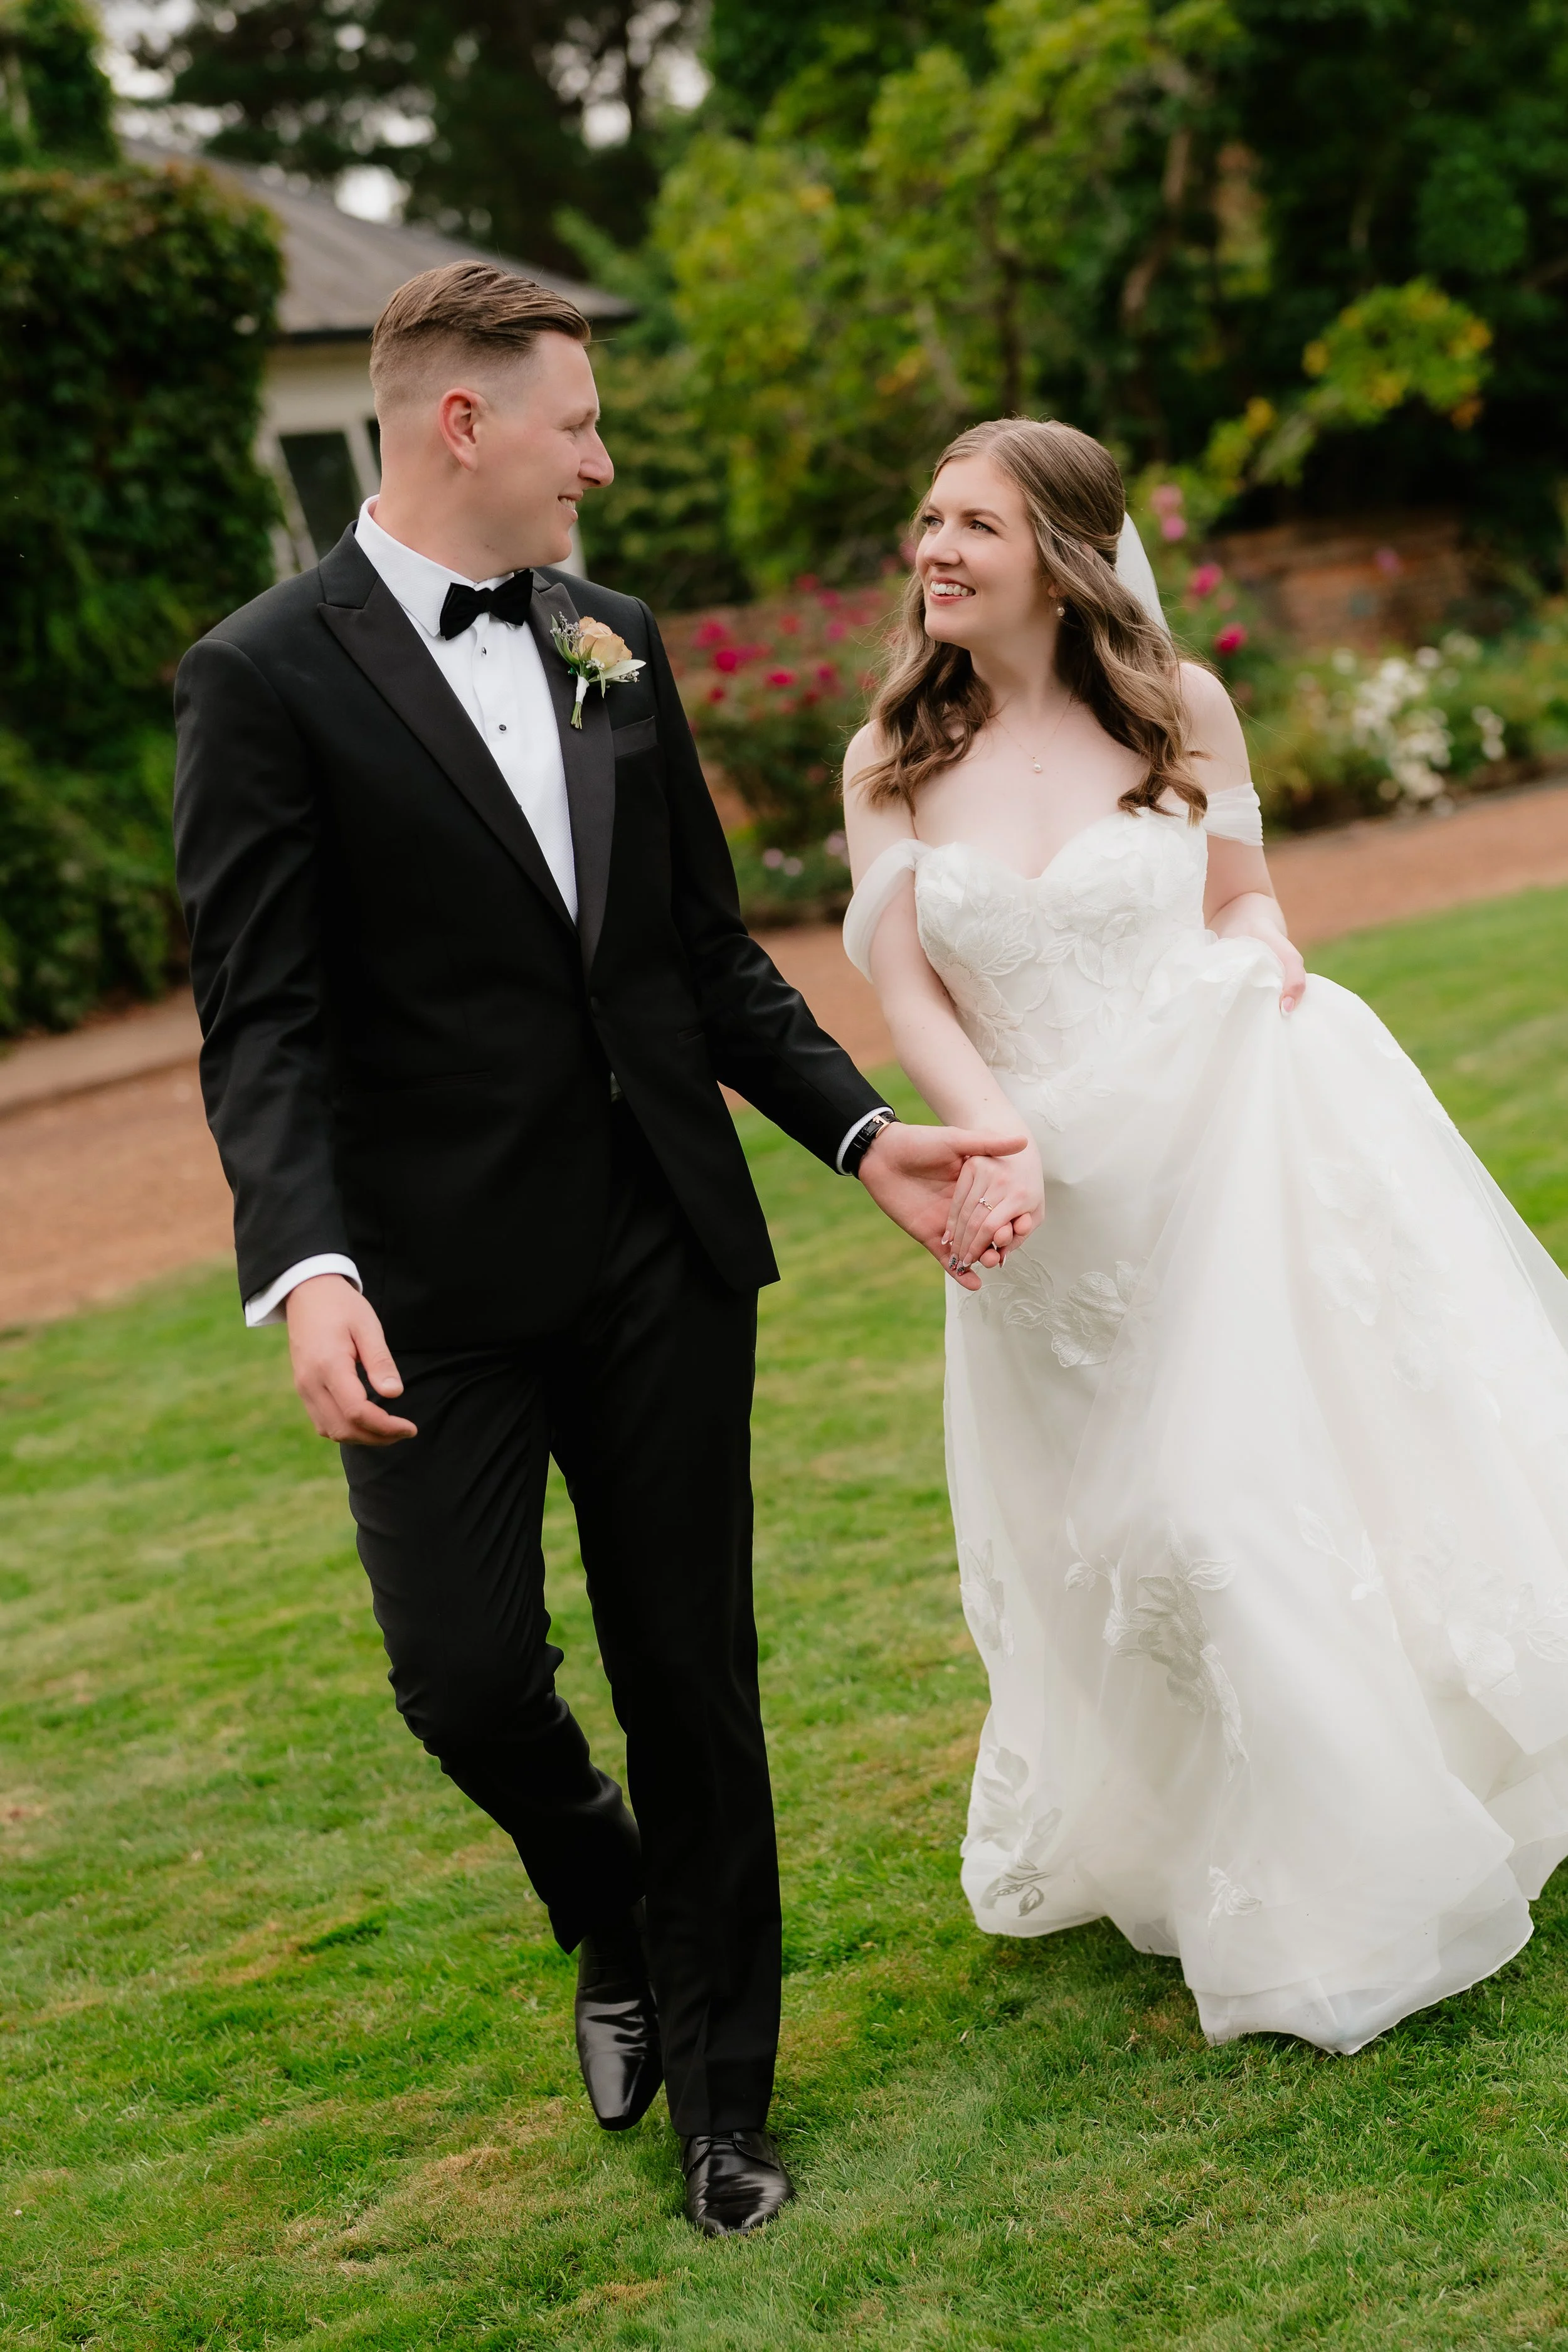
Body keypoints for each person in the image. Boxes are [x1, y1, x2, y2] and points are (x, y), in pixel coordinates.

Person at [172, 260, 1012, 2235]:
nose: (600, 462)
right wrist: (308, 1268)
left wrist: (863, 1129)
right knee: (463, 1678)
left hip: (658, 1252)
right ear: (460, 423)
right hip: (431, 1286)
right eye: (575, 424)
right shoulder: (259, 676)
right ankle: (605, 1896)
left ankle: (731, 2098)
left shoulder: (610, 640)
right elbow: (262, 1017)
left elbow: (698, 951)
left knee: (692, 1680)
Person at [842, 415, 1568, 2053]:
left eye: (971, 523)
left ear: (1062, 554)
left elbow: (1241, 895)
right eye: (927, 518)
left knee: (1232, 1504)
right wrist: (1000, 1139)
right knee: (1117, 1542)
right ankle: (1198, 1829)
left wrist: (1264, 952)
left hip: (1222, 1147)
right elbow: (907, 995)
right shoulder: (888, 755)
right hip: (1045, 1200)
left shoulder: (1180, 709)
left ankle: (1348, 1870)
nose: (932, 549)